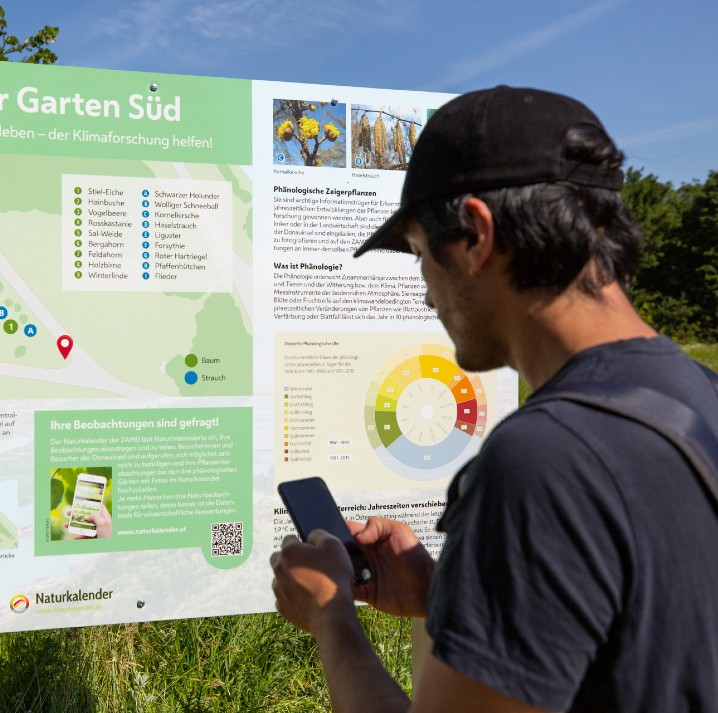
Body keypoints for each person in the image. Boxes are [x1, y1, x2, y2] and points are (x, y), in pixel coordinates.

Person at [270, 86, 718, 712]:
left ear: (477, 236)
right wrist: (447, 593)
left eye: (423, 254)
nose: (427, 294)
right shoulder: (700, 397)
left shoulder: (541, 463)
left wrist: (330, 617)